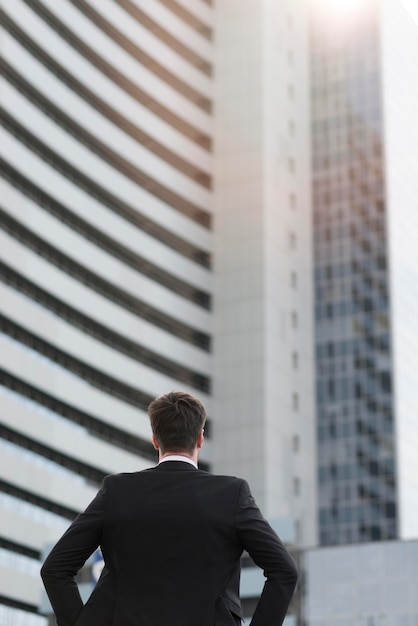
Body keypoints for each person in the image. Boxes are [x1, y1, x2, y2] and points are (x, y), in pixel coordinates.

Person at [41, 391, 298, 626]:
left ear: (155, 439)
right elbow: (284, 571)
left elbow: (55, 568)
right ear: (200, 438)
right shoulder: (232, 495)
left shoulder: (117, 491)